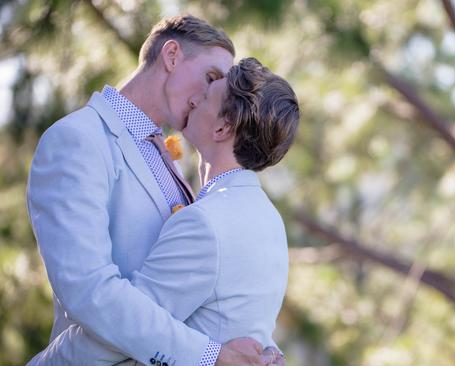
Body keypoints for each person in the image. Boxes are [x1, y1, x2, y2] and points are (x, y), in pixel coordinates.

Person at [26, 15, 286, 366]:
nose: (210, 95)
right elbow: (90, 292)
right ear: (172, 55)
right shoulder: (78, 140)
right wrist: (211, 355)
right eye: (210, 78)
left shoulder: (168, 157)